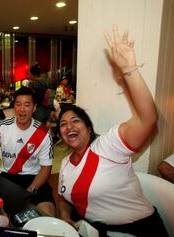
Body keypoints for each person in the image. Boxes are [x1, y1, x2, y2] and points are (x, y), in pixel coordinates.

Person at [57, 25, 167, 236]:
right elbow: (63, 197)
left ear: (89, 128)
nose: (69, 126)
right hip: (93, 229)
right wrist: (64, 216)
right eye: (63, 124)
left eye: (75, 121)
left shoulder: (107, 146)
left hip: (138, 229)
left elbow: (148, 120)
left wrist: (129, 70)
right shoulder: (65, 165)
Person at [0, 86, 56, 216]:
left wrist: (31, 189)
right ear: (14, 108)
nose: (22, 109)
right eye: (18, 104)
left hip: (34, 178)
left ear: (34, 108)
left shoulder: (44, 133)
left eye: (27, 105)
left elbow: (46, 169)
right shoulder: (2, 126)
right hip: (7, 177)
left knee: (47, 213)